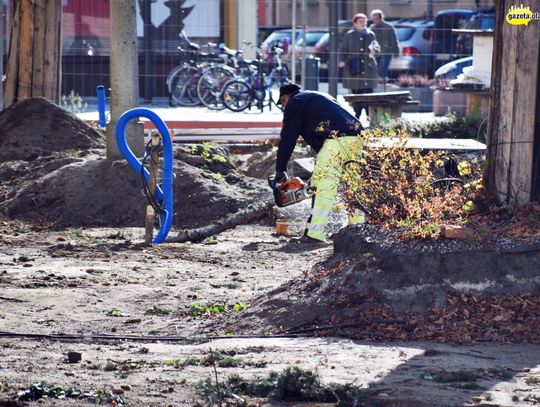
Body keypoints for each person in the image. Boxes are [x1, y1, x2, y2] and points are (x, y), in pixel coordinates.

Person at [273, 83, 364, 244]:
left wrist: (280, 170)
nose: (283, 108)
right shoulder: (315, 97)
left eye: (282, 104)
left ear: (285, 97)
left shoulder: (295, 103)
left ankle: (315, 233)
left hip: (336, 141)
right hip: (356, 139)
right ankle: (355, 229)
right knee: (352, 185)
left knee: (322, 185)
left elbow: (288, 138)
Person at [339, 12, 379, 119]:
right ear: (355, 23)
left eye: (365, 21)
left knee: (368, 94)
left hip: (368, 69)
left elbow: (376, 46)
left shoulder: (371, 34)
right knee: (356, 94)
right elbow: (343, 50)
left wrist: (374, 51)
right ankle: (357, 116)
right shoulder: (349, 35)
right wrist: (342, 61)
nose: (363, 23)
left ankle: (368, 116)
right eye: (361, 21)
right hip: (354, 69)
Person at [369, 9, 399, 81]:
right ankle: (378, 83)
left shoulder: (388, 27)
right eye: (373, 19)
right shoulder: (371, 28)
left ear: (380, 18)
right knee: (375, 69)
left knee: (383, 70)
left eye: (376, 19)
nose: (375, 21)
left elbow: (393, 40)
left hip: (386, 52)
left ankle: (383, 82)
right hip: (376, 53)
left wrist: (396, 51)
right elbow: (369, 40)